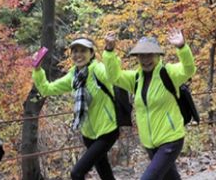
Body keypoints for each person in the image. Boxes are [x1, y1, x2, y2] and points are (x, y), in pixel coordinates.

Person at [32, 35, 120, 180]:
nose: (78, 55)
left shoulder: (97, 69)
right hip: (88, 134)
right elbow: (47, 89)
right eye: (75, 51)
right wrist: (37, 70)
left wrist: (109, 52)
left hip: (107, 130)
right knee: (106, 174)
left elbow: (113, 77)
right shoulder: (74, 76)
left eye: (83, 51)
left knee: (77, 173)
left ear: (91, 53)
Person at [112, 29, 196, 180]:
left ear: (158, 55)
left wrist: (182, 47)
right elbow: (114, 76)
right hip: (149, 143)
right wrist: (109, 52)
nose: (145, 59)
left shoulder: (169, 73)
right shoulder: (136, 78)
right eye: (141, 55)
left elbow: (188, 69)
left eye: (149, 54)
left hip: (171, 139)